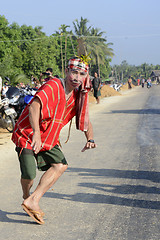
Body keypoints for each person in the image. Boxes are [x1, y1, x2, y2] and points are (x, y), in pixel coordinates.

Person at [11, 56, 97, 225]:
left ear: (85, 77)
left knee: (61, 165)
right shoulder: (54, 85)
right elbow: (35, 105)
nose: (76, 78)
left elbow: (85, 118)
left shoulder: (78, 96)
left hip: (49, 137)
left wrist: (90, 138)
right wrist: (36, 133)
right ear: (66, 71)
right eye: (74, 72)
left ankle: (33, 200)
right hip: (28, 133)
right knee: (29, 174)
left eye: (81, 74)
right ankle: (26, 195)